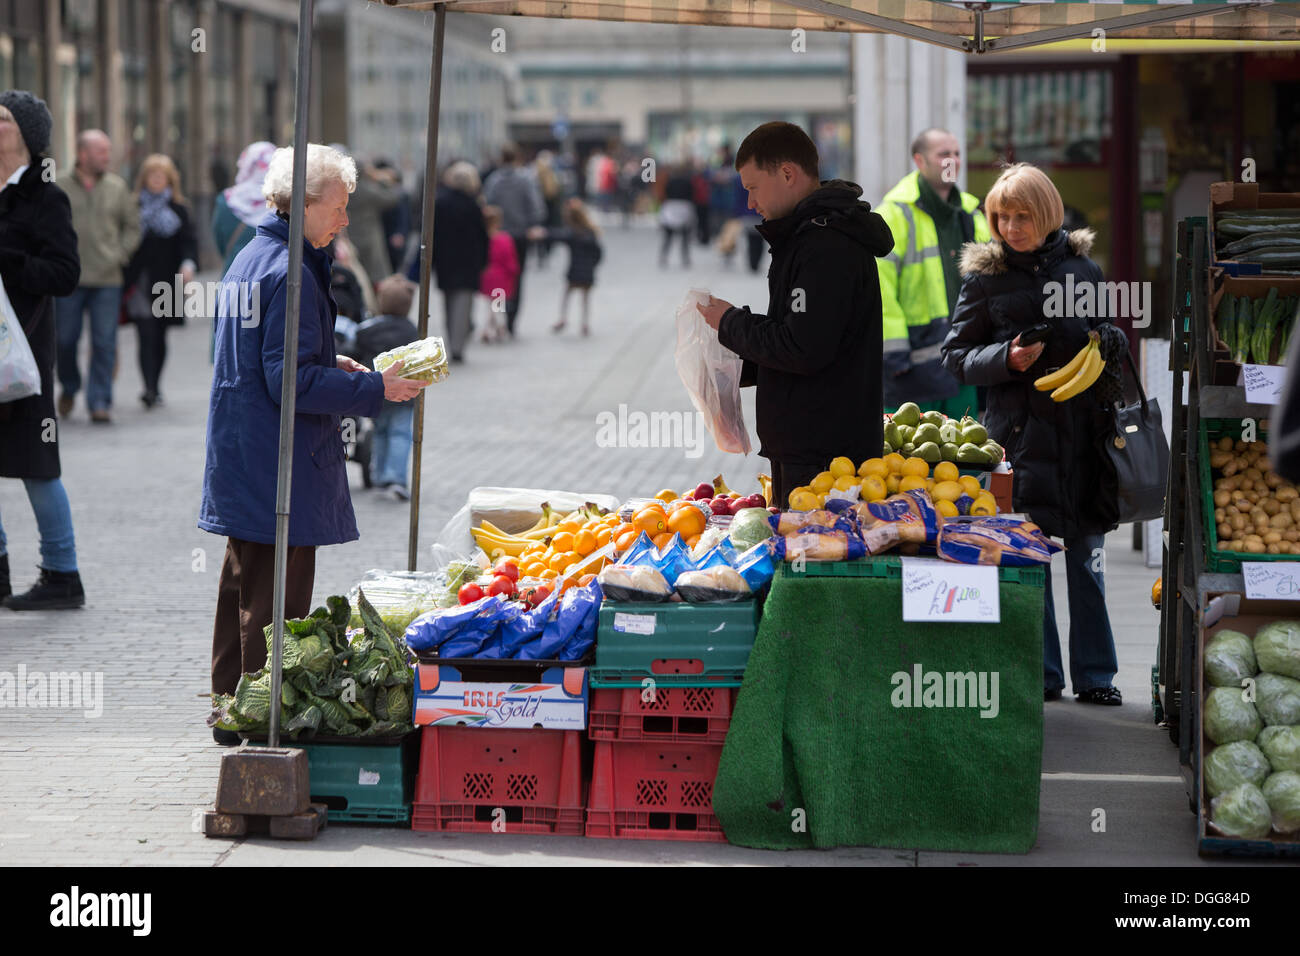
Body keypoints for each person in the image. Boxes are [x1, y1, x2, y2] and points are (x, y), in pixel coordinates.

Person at [199, 143, 427, 745]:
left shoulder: (254, 254)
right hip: (278, 464)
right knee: (277, 601)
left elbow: (270, 361)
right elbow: (290, 382)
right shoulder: (290, 268)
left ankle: (231, 709)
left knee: (243, 588)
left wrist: (334, 361)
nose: (346, 218)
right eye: (340, 205)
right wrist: (378, 389)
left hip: (246, 453)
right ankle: (262, 722)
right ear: (303, 204)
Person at [940, 162, 1122, 706]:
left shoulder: (1083, 271)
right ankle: (1043, 675)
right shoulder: (984, 278)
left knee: (1089, 563)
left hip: (1082, 439)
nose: (1012, 227)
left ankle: (1097, 677)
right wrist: (1006, 358)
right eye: (1002, 216)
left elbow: (1111, 344)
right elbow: (955, 356)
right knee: (1029, 560)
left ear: (1047, 216)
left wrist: (1110, 340)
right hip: (1018, 441)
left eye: (1023, 216)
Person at [697, 121, 894, 509]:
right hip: (805, 447)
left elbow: (803, 348)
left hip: (825, 457)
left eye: (753, 187)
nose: (750, 203)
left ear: (787, 173)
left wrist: (730, 323)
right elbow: (800, 337)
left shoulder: (825, 246)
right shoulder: (805, 236)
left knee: (813, 562)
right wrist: (732, 365)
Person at [0, 91, 85, 610]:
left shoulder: (45, 196)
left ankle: (61, 574)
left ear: (28, 135)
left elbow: (64, 274)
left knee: (37, 464)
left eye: (2, 120)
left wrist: (6, 257)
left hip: (22, 357)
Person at [878, 128, 992, 419]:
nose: (952, 160)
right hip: (911, 367)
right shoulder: (894, 214)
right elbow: (880, 288)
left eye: (957, 153)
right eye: (943, 154)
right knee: (910, 459)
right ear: (920, 160)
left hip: (962, 361)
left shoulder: (972, 214)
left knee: (963, 454)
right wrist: (894, 353)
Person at [57, 129, 140, 424]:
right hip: (69, 279)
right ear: (82, 155)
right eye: (101, 151)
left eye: (107, 150)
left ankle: (99, 401)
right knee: (64, 340)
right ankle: (69, 386)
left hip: (107, 279)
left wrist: (119, 254)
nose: (107, 156)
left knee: (104, 343)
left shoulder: (117, 187)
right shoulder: (60, 187)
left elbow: (133, 226)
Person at [123, 154, 197, 409]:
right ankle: (149, 388)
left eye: (161, 176)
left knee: (160, 335)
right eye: (152, 176)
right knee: (145, 332)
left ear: (169, 180)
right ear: (144, 179)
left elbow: (189, 242)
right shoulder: (133, 206)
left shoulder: (179, 208)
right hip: (141, 281)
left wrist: (188, 265)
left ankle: (157, 383)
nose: (156, 180)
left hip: (167, 281)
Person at [350, 275, 421, 500]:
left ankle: (379, 475)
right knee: (400, 434)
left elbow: (356, 353)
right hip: (405, 393)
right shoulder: (413, 332)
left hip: (377, 392)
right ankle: (396, 478)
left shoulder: (368, 330)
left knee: (379, 432)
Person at [482, 144, 545, 337]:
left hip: (498, 235)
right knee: (517, 275)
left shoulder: (494, 181)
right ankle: (511, 317)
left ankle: (500, 312)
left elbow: (487, 204)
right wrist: (532, 223)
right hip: (519, 235)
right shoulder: (525, 180)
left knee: (498, 276)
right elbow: (536, 206)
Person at [431, 160, 489, 362]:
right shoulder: (473, 205)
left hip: (446, 259)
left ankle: (451, 339)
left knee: (448, 301)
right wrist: (483, 260)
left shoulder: (440, 202)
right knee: (463, 304)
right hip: (468, 260)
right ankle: (457, 345)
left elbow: (433, 233)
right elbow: (482, 236)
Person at [527, 197, 604, 336]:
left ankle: (563, 318)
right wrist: (593, 265)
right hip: (587, 271)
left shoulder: (573, 234)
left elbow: (555, 235)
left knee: (567, 295)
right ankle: (584, 323)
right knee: (585, 298)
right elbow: (598, 252)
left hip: (574, 270)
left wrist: (542, 234)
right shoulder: (590, 233)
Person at [341, 151, 403, 286]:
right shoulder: (366, 189)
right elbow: (392, 198)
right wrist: (382, 180)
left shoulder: (344, 187)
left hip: (349, 235)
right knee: (374, 277)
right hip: (369, 238)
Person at [479, 205, 519, 344]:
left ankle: (488, 329)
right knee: (498, 306)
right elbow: (510, 260)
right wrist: (514, 272)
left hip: (486, 276)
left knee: (490, 305)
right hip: (501, 277)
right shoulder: (504, 239)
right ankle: (497, 328)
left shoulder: (482, 238)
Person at [659, 164, 695, 268]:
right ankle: (685, 258)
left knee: (668, 237)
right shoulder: (687, 182)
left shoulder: (670, 181)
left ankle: (663, 257)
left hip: (671, 208)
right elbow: (691, 194)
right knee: (684, 237)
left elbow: (665, 193)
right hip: (684, 208)